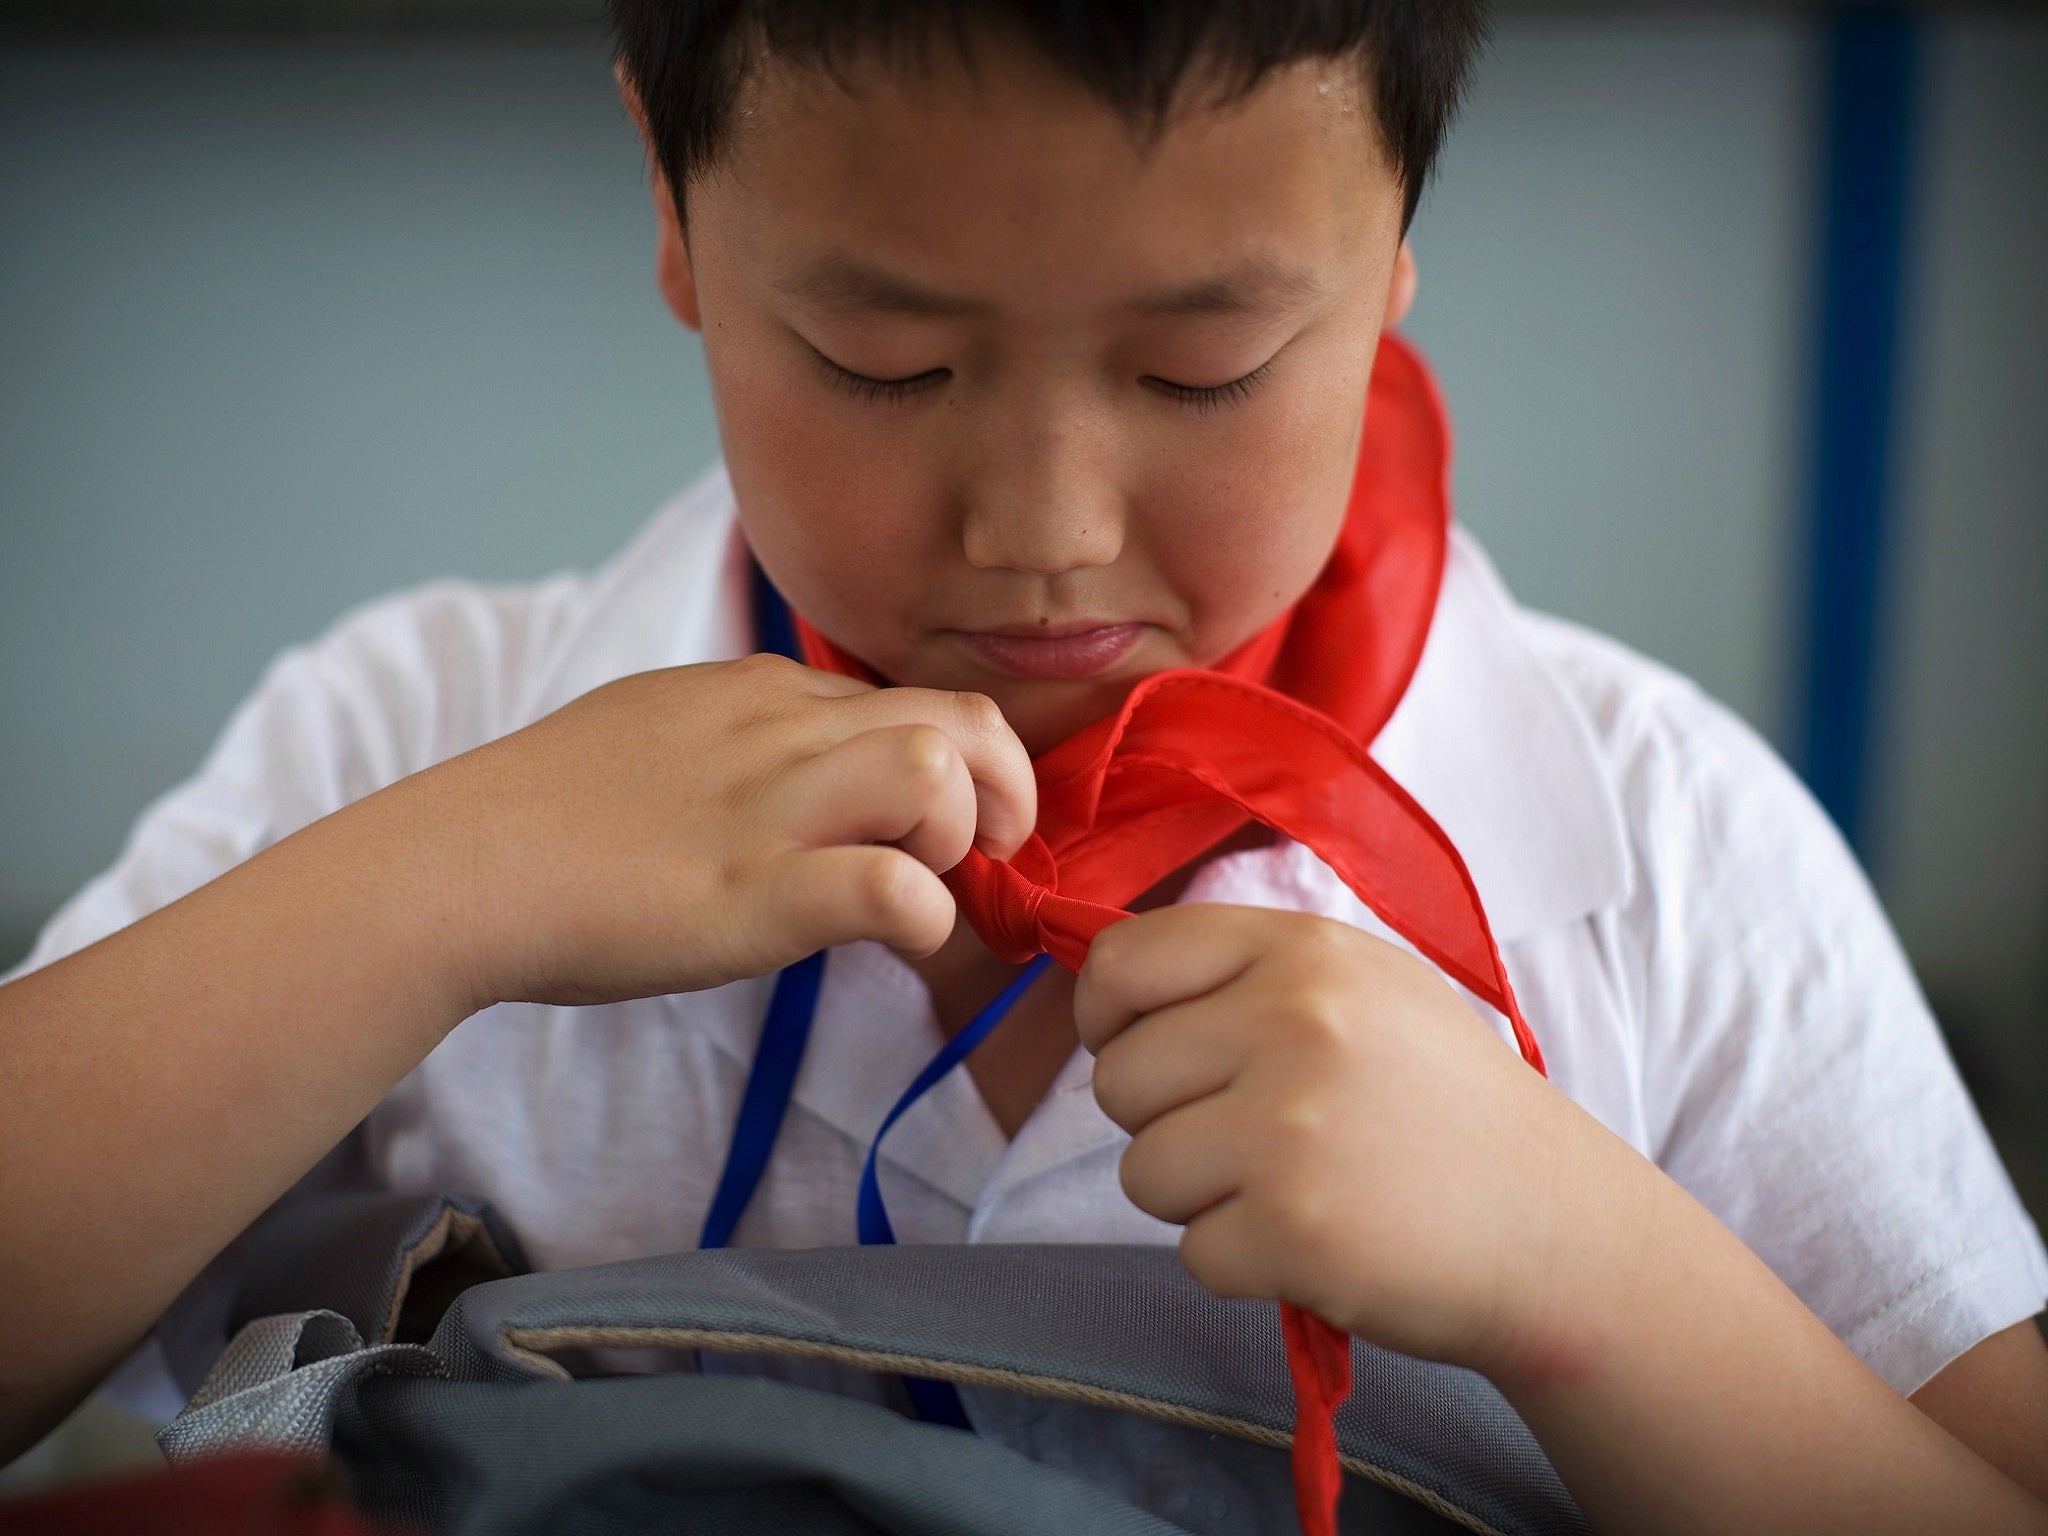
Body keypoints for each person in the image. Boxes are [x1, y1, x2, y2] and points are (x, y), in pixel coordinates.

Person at [2, 3, 2045, 1528]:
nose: (1043, 527)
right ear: (674, 211)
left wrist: (1585, 1273)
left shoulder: (1658, 850)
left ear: (1400, 233)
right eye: (885, 364)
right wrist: (433, 893)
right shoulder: (412, 735)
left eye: (1200, 370)